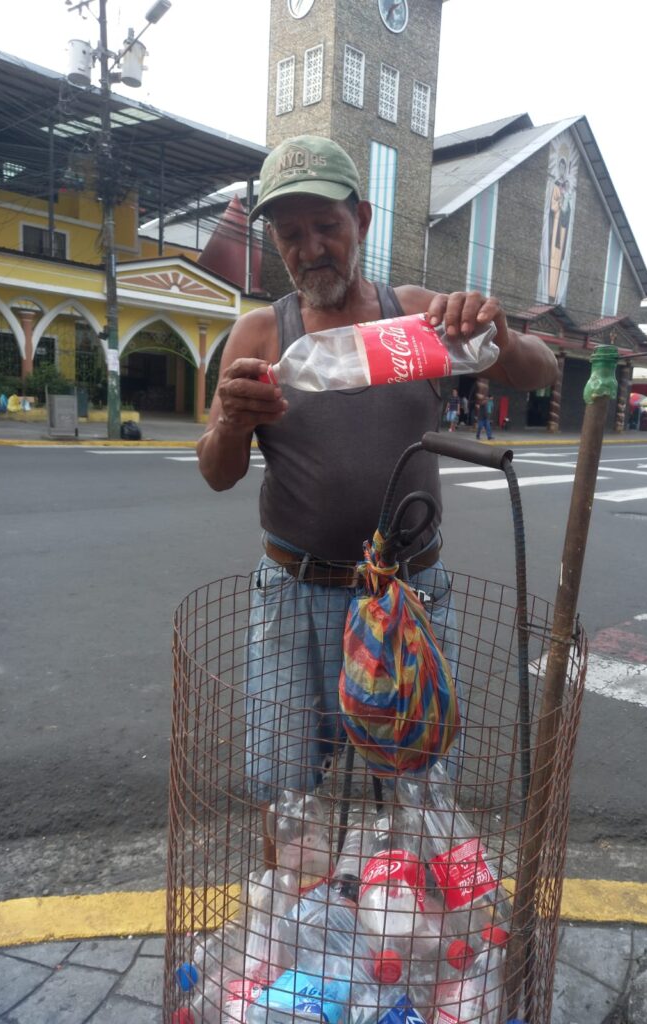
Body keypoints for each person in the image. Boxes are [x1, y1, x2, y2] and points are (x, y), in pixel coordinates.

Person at [196, 134, 557, 822]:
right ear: (276, 240)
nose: (310, 250)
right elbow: (217, 472)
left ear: (361, 221)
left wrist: (498, 334)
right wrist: (233, 424)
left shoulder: (417, 317)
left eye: (326, 227)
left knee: (416, 795)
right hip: (294, 594)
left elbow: (538, 371)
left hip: (410, 594)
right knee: (288, 796)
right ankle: (300, 923)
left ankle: (402, 923)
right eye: (291, 233)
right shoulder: (258, 336)